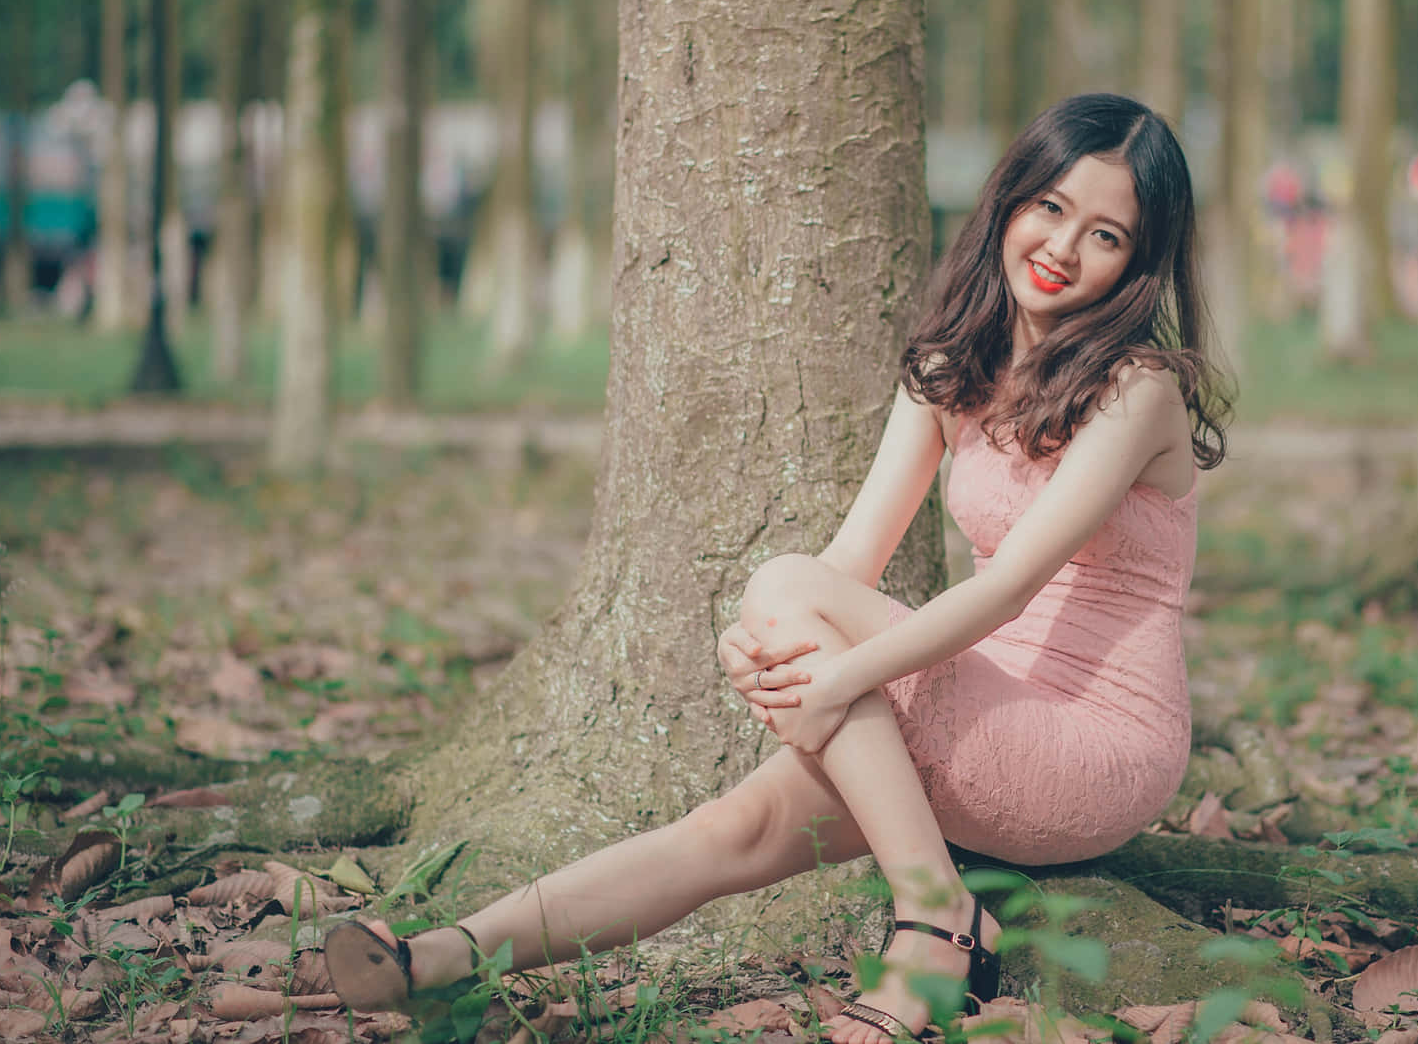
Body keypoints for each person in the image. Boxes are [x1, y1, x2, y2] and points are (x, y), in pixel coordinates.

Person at [323, 93, 1231, 1044]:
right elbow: (849, 563)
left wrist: (833, 667)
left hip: (1096, 743)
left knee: (788, 589)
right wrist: (768, 640)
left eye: (1106, 234)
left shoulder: (1140, 390)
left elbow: (1006, 590)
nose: (1062, 245)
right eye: (1049, 206)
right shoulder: (955, 366)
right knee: (739, 827)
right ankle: (440, 956)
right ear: (1008, 199)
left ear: (1140, 261)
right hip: (987, 708)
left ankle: (937, 921)